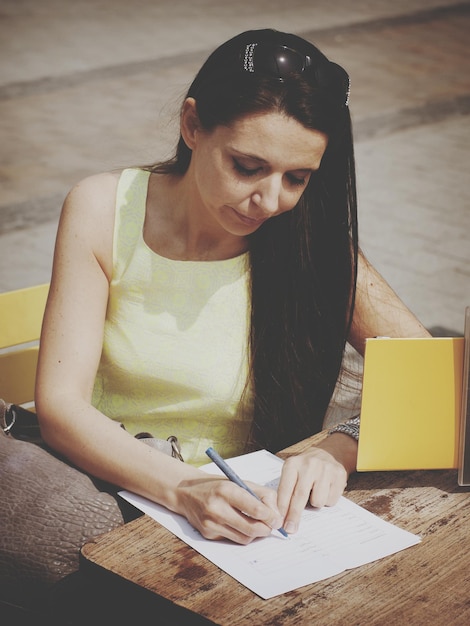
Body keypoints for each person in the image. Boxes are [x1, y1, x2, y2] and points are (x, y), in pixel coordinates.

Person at [35, 28, 430, 548]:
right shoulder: (104, 208)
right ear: (192, 124)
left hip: (252, 518)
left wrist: (338, 448)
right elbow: (60, 405)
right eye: (248, 167)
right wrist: (187, 489)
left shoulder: (310, 240)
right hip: (107, 492)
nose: (268, 201)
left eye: (297, 179)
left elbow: (434, 382)